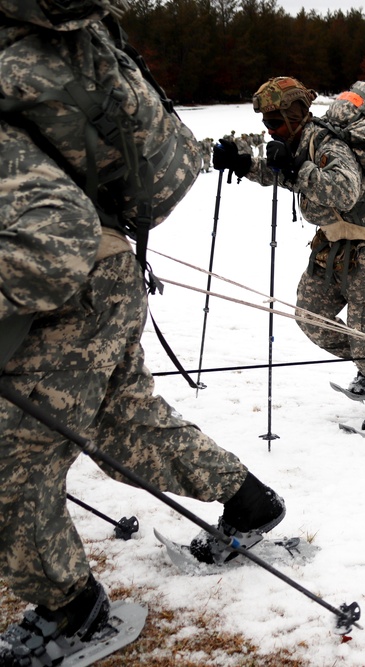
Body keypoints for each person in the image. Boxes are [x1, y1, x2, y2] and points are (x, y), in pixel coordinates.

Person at [0, 3, 285, 661]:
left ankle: (71, 611)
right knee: (121, 424)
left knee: (13, 467)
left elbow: (51, 244)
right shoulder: (44, 57)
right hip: (106, 275)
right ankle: (248, 502)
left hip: (70, 291)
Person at [211, 76, 365, 434]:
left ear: (296, 114)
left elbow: (346, 191)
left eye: (274, 122)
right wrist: (244, 165)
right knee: (311, 317)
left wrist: (297, 168)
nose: (269, 129)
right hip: (332, 244)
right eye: (265, 123)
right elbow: (288, 177)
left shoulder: (325, 142)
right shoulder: (296, 141)